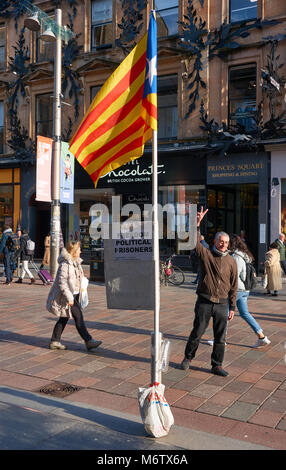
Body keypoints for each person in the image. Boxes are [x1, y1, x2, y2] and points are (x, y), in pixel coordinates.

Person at [180, 207, 238, 377]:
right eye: (221, 241)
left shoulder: (231, 261)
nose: (224, 244)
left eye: (226, 242)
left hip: (221, 304)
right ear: (215, 241)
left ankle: (217, 365)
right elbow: (194, 243)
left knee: (220, 337)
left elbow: (234, 285)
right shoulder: (206, 255)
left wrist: (233, 306)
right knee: (197, 332)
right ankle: (187, 358)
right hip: (205, 301)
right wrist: (197, 224)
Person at [46, 241, 102, 351]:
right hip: (67, 297)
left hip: (74, 294)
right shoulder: (65, 264)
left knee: (64, 318)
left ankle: (54, 340)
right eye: (79, 249)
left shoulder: (75, 262)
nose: (81, 251)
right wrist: (70, 298)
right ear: (74, 251)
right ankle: (88, 341)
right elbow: (62, 283)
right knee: (78, 317)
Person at [229, 234, 271, 348]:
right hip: (245, 290)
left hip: (238, 289)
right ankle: (262, 337)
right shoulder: (245, 255)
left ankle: (219, 339)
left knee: (225, 313)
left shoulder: (236, 257)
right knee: (245, 314)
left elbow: (236, 275)